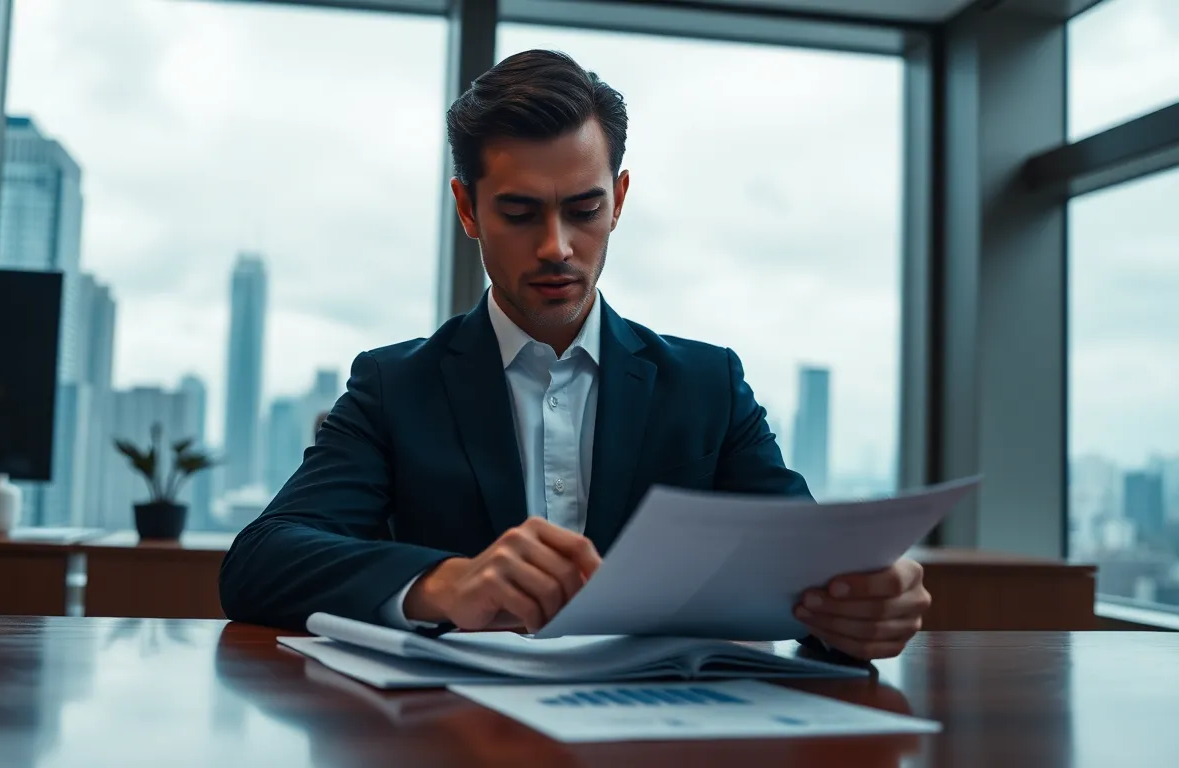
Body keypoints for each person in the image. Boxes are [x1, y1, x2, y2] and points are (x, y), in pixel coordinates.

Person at [220, 49, 930, 660]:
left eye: (584, 210)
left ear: (618, 199)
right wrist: (446, 583)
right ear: (468, 210)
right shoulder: (395, 385)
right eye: (521, 213)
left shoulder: (707, 385)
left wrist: (864, 605)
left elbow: (807, 571)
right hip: (453, 740)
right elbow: (260, 562)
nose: (557, 245)